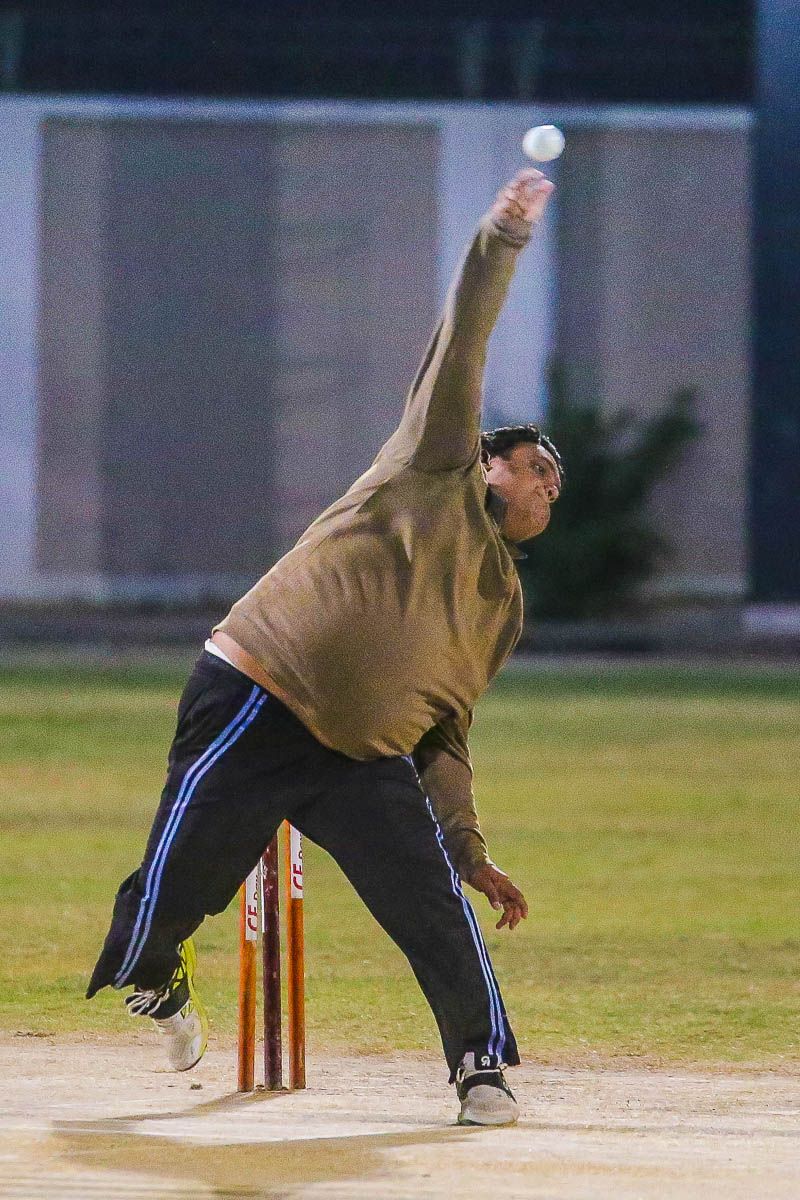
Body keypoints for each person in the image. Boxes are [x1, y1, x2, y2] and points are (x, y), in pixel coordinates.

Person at [87, 168, 563, 1127]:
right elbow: (463, 337)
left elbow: (446, 732)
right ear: (487, 465)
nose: (549, 483)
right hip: (257, 697)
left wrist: (469, 849)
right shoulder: (433, 464)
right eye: (535, 465)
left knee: (431, 902)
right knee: (178, 884)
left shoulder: (501, 606)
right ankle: (157, 974)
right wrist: (502, 236)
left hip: (363, 757)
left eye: (557, 480)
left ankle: (481, 1066)